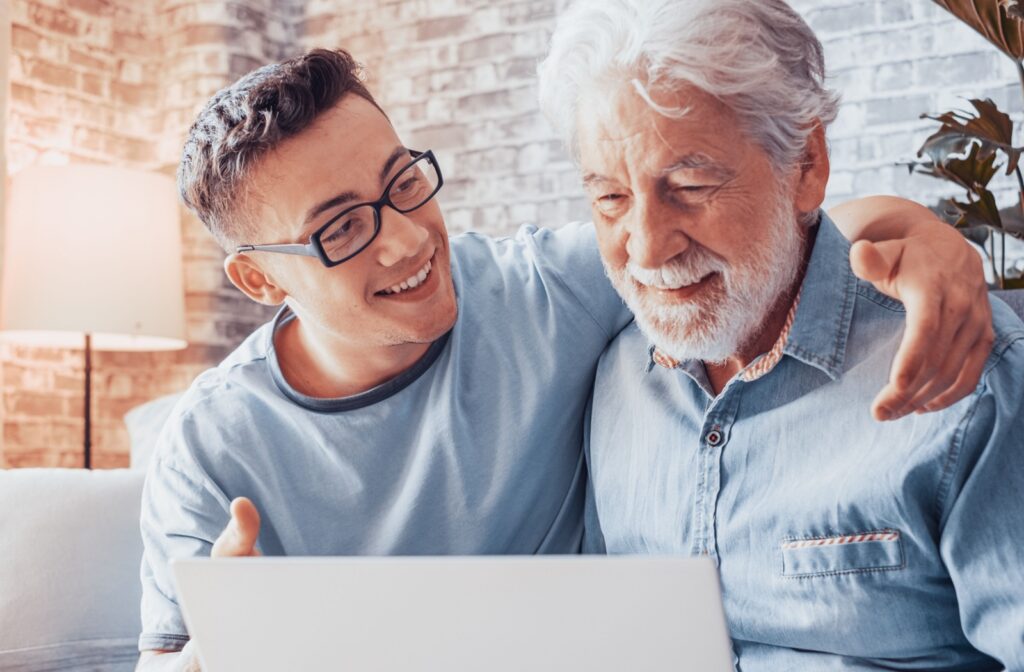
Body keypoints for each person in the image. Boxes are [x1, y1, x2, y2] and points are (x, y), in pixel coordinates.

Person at [137, 45, 994, 669]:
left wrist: (924, 235)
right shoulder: (210, 447)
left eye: (402, 184)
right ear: (256, 277)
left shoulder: (544, 290)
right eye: (342, 228)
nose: (405, 241)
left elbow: (750, 230)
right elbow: (166, 664)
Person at [545, 0, 1024, 668]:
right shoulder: (612, 374)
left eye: (690, 184)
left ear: (806, 163)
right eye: (610, 200)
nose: (648, 249)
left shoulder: (967, 371)